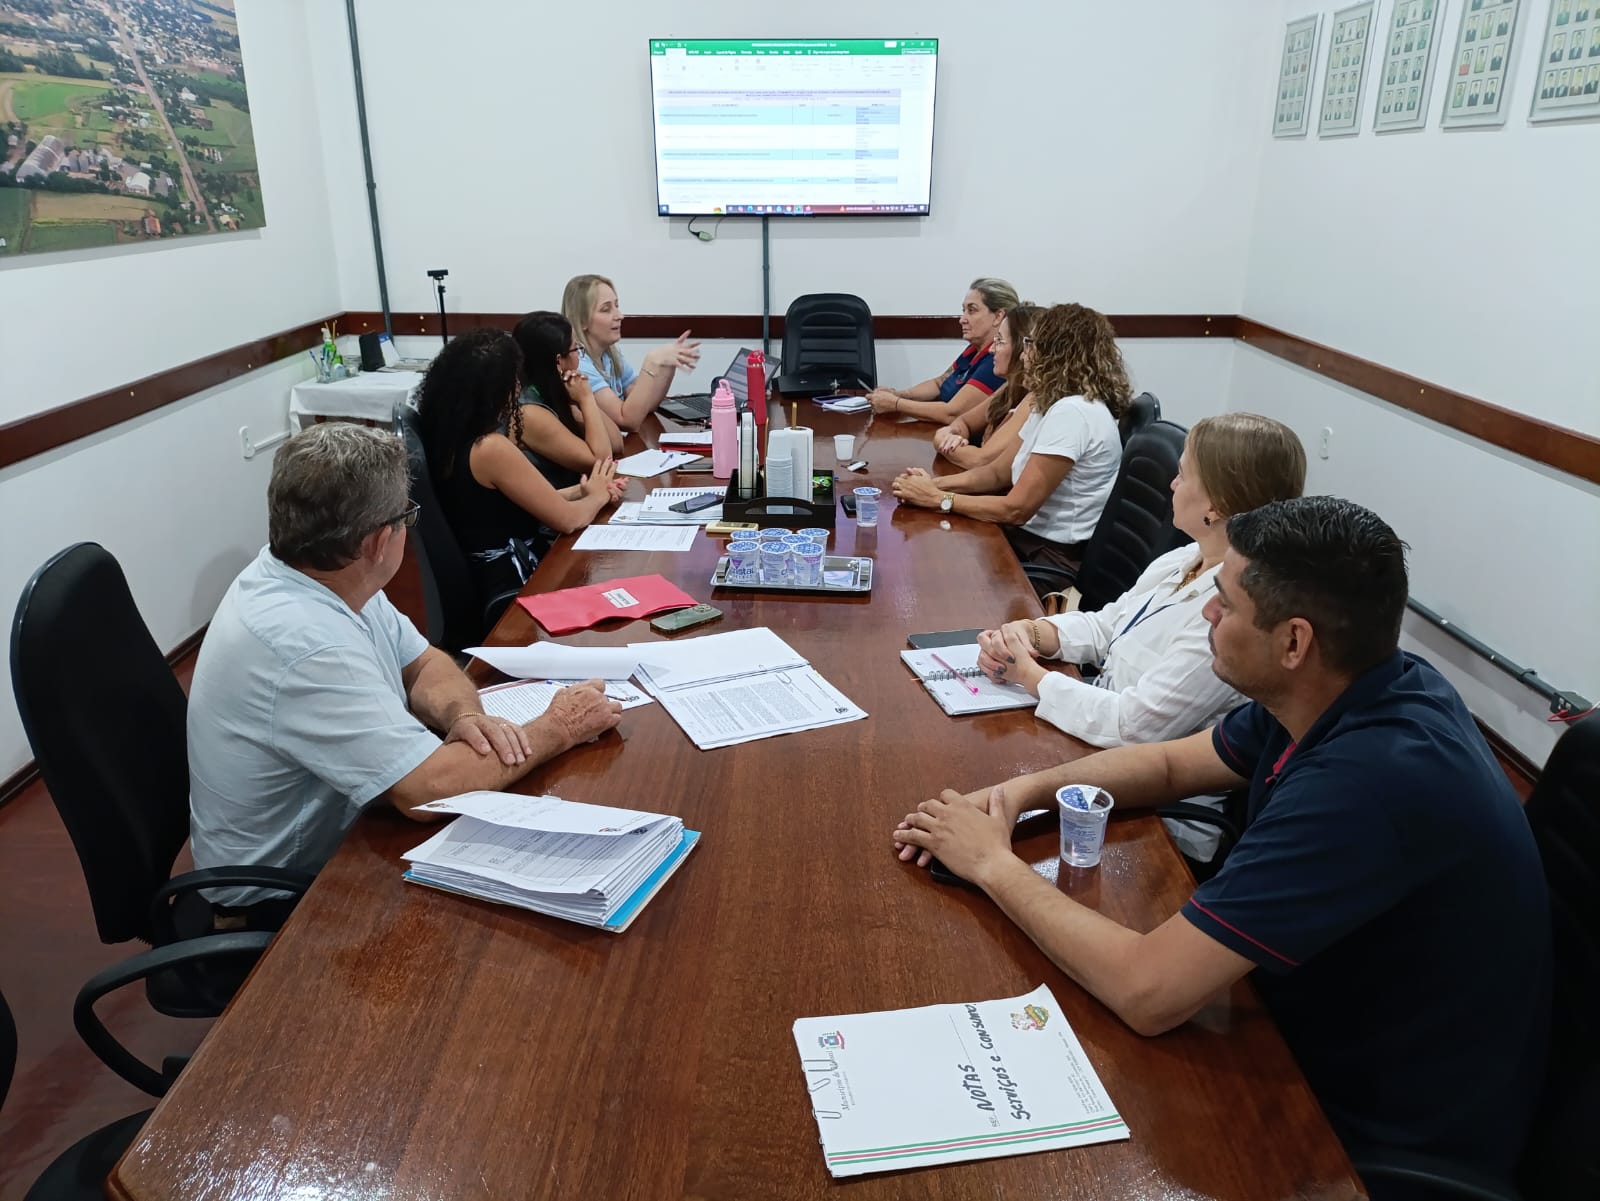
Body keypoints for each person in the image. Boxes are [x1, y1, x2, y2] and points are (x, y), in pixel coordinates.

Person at [891, 497, 1549, 1196]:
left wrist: (991, 863)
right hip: (1301, 1019)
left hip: (1360, 1127)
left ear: (1293, 642)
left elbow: (1147, 991)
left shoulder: (1369, 785)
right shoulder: (1346, 688)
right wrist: (1020, 795)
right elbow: (1169, 765)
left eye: (1225, 602)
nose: (1206, 611)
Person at [188, 423, 623, 929]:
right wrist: (560, 727)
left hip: (346, 831)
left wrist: (463, 715)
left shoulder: (324, 573)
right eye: (407, 517)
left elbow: (423, 662)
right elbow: (427, 792)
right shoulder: (305, 642)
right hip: (283, 896)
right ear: (379, 541)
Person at [973, 414, 1307, 857]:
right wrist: (1035, 633)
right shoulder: (1185, 559)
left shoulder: (1232, 615)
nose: (1171, 484)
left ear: (1218, 505)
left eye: (1182, 474)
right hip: (1092, 752)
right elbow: (1109, 624)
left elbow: (1133, 727)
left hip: (1157, 825)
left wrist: (1030, 677)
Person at [891, 302, 1129, 574]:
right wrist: (931, 486)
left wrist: (939, 499)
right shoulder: (1050, 401)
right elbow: (996, 474)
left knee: (935, 569)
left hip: (1046, 557)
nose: (1024, 355)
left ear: (1055, 352)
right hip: (1023, 541)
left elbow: (1016, 509)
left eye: (1030, 345)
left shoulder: (1073, 413)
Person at [414, 327, 624, 601]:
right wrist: (597, 496)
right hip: (516, 581)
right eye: (514, 379)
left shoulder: (449, 437)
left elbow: (497, 511)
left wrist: (581, 491)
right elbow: (568, 520)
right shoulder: (490, 449)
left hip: (485, 575)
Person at [864, 277, 1019, 426]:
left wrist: (895, 404)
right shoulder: (974, 349)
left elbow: (952, 413)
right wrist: (899, 394)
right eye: (964, 310)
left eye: (972, 311)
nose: (962, 319)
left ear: (998, 316)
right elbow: (940, 383)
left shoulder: (996, 360)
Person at [561, 273, 701, 430]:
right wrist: (651, 362)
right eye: (606, 309)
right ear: (582, 320)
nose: (620, 316)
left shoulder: (610, 353)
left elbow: (646, 405)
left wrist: (668, 365)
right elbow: (627, 420)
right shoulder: (579, 365)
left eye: (617, 306)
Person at [512, 310, 624, 490]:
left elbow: (616, 443)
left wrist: (582, 402)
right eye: (575, 348)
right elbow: (602, 462)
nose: (579, 354)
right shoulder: (529, 411)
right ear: (559, 361)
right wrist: (587, 400)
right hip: (549, 505)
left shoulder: (558, 393)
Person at [930, 302, 1040, 470]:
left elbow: (980, 461)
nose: (991, 350)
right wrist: (951, 436)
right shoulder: (1010, 386)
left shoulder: (1034, 400)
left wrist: (943, 442)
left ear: (1022, 348)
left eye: (999, 341)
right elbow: (963, 422)